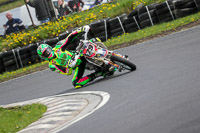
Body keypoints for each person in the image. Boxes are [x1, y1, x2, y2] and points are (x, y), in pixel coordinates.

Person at [37, 25, 116, 88]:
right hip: (77, 64)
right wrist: (70, 64)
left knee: (92, 40)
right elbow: (67, 72)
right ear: (43, 57)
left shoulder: (58, 47)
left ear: (50, 48)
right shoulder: (52, 65)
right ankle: (98, 74)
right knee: (76, 83)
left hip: (79, 54)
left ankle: (109, 54)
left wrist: (81, 29)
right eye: (45, 54)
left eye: (47, 51)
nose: (47, 54)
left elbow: (69, 37)